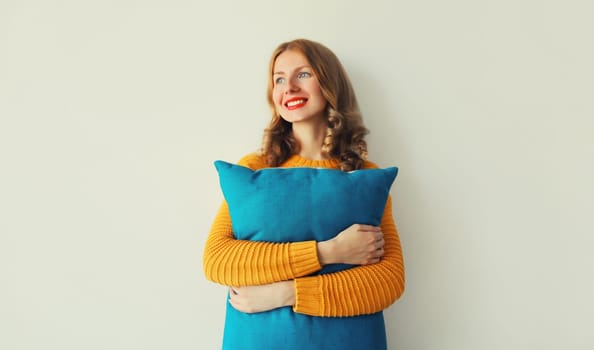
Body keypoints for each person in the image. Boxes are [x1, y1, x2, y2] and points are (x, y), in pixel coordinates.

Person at [203, 38, 405, 348]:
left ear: (329, 83)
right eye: (279, 79)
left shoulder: (366, 173)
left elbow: (387, 281)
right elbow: (219, 260)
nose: (289, 87)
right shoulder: (253, 169)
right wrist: (330, 251)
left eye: (303, 74)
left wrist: (284, 293)